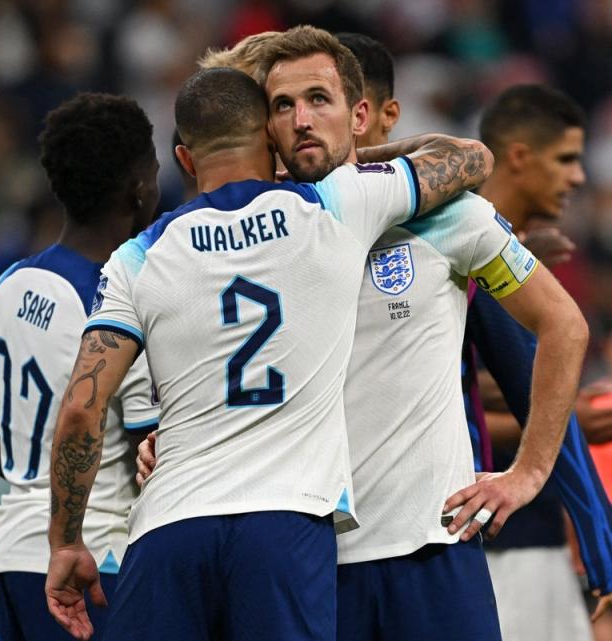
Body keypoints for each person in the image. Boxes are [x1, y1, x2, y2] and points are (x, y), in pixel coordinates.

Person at [138, 29, 590, 641]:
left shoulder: (449, 215)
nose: (301, 120)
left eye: (319, 100)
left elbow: (563, 324)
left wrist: (529, 471)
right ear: (264, 128)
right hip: (313, 562)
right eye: (281, 106)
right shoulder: (259, 240)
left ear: (359, 114)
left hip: (434, 545)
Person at [46, 42, 493, 639]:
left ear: (184, 158)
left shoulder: (136, 256)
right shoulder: (335, 204)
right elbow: (469, 157)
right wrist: (355, 161)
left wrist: (67, 541)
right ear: (271, 139)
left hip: (167, 529)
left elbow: (80, 410)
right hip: (285, 525)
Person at [0, 92, 160, 641]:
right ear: (139, 187)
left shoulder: (6, 285)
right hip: (90, 562)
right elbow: (149, 453)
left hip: (11, 555)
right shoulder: (117, 301)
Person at [468, 84, 608, 641]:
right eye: (566, 158)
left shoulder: (523, 258)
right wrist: (561, 416)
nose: (578, 176)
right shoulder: (446, 247)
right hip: (493, 540)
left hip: (543, 531)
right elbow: (454, 391)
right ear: (520, 156)